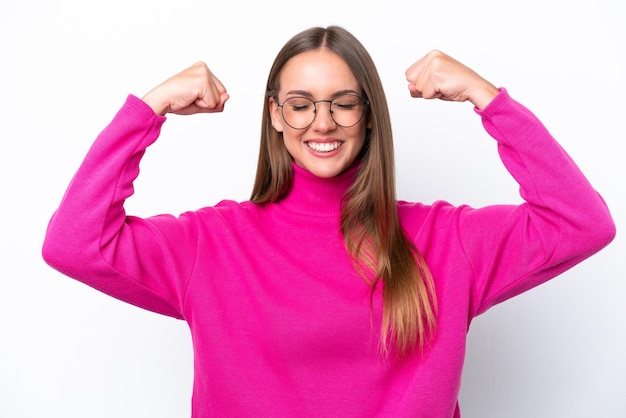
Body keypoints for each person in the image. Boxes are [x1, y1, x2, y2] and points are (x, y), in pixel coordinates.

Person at [42, 25, 615, 417]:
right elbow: (73, 243)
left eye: (343, 102)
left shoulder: (447, 243)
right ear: (275, 115)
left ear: (368, 115)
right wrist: (149, 109)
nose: (323, 122)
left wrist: (488, 99)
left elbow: (581, 223)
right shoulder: (210, 245)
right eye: (300, 102)